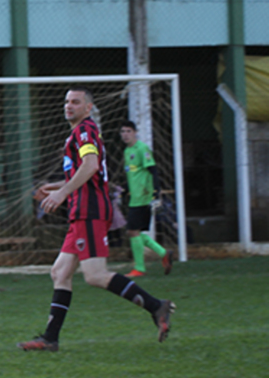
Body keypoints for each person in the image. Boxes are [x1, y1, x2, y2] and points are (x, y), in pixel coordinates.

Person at [18, 88, 174, 352]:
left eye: (76, 102)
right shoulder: (80, 132)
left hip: (90, 210)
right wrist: (55, 186)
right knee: (59, 272)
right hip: (80, 211)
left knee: (95, 275)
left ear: (88, 107)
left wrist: (61, 193)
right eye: (66, 101)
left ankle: (156, 306)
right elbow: (89, 171)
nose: (69, 106)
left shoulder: (85, 131)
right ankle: (50, 338)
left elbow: (90, 167)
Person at [119, 121, 172, 278]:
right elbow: (132, 174)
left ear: (135, 132)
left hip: (143, 195)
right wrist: (125, 191)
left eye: (128, 131)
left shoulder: (142, 149)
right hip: (134, 196)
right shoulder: (127, 151)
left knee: (132, 231)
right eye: (123, 131)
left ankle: (140, 268)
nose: (125, 134)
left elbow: (153, 170)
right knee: (135, 231)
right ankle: (163, 253)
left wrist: (156, 192)